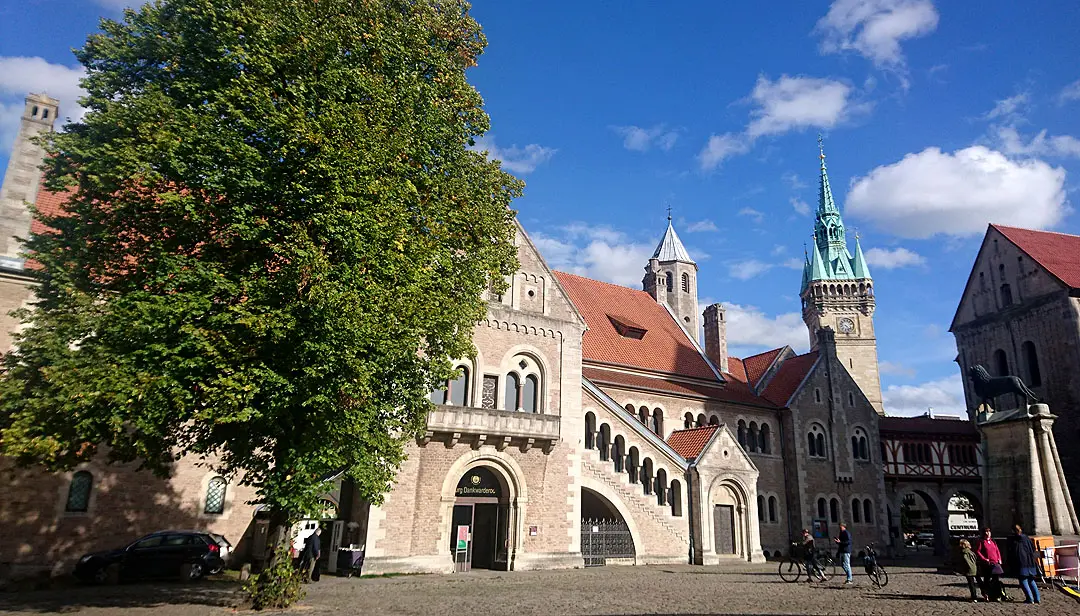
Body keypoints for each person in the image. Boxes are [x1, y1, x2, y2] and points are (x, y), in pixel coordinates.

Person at [1008, 525, 1042, 604]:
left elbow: (1013, 553)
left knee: (1023, 580)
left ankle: (1030, 598)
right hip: (1030, 562)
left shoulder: (1015, 540)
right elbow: (1033, 549)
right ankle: (1037, 598)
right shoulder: (1027, 538)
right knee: (1031, 580)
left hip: (1022, 563)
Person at [976, 527, 1005, 601]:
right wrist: (984, 559)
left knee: (996, 579)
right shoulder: (981, 542)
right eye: (986, 532)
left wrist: (999, 559)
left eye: (989, 532)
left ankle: (996, 594)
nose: (987, 533)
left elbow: (997, 550)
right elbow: (978, 551)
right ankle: (987, 594)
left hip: (995, 563)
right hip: (987, 564)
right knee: (987, 579)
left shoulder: (993, 541)